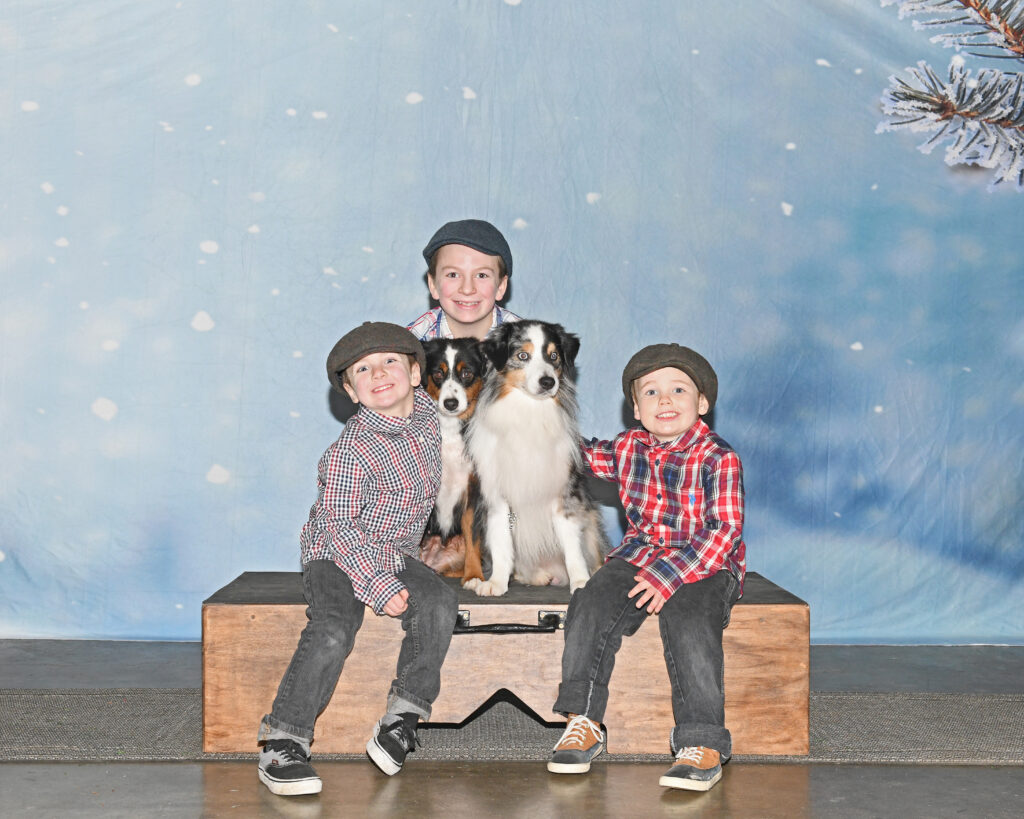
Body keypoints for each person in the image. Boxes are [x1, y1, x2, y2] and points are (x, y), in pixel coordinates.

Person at [257, 321, 457, 796]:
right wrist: (378, 586)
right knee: (334, 625)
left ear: (416, 374)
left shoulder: (431, 418)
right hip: (335, 550)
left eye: (390, 362)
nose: (378, 373)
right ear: (351, 391)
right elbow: (341, 528)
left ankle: (403, 716)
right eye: (362, 370)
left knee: (439, 602)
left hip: (394, 550)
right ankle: (284, 739)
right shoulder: (351, 451)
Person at [547, 343, 746, 792]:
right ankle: (583, 719)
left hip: (706, 561)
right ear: (636, 409)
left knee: (688, 617)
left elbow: (724, 531)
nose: (665, 400)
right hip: (641, 553)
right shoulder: (628, 447)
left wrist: (669, 576)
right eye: (651, 392)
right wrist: (543, 429)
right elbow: (580, 455)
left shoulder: (718, 457)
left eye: (679, 390)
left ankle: (702, 740)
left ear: (702, 403)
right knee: (590, 601)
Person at [407, 218, 521, 341]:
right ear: (433, 285)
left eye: (481, 275)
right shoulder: (411, 344)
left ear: (501, 287)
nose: (467, 289)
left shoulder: (527, 342)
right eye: (453, 275)